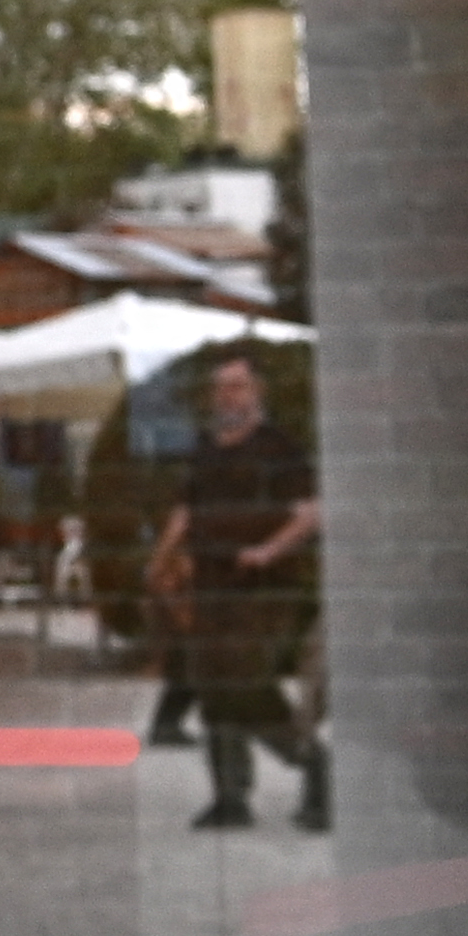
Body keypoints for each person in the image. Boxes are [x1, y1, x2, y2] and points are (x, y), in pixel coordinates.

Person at [151, 343, 324, 830]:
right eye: (220, 387)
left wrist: (269, 550)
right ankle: (230, 797)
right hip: (211, 587)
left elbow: (310, 514)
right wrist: (162, 560)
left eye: (237, 385)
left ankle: (316, 766)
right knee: (213, 687)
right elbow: (185, 512)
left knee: (246, 685)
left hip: (263, 589)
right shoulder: (206, 449)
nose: (227, 396)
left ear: (257, 391)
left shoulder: (280, 449)